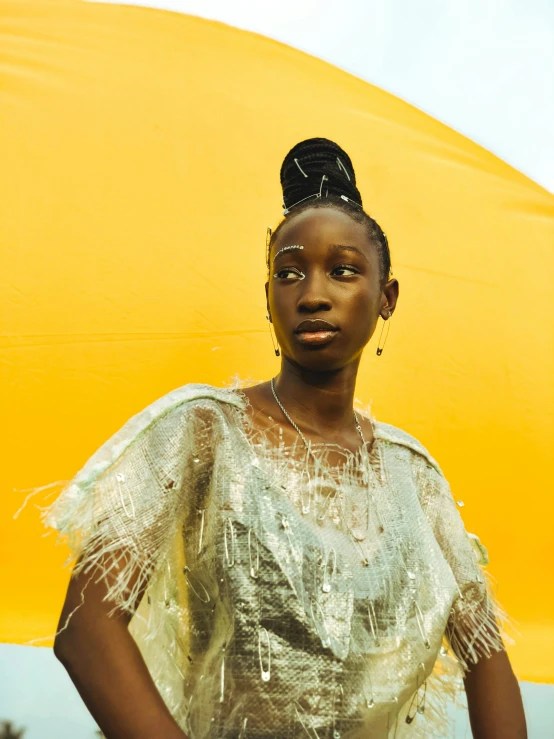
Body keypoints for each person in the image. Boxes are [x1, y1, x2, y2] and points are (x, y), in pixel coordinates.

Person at [49, 138, 526, 738]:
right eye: (289, 273)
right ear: (268, 296)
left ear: (387, 298)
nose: (313, 294)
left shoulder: (414, 478)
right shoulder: (205, 429)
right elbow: (88, 628)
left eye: (344, 270)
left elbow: (485, 652)